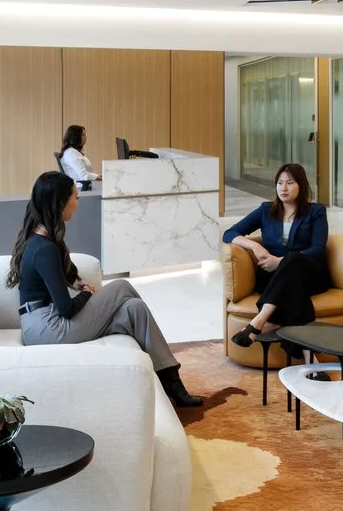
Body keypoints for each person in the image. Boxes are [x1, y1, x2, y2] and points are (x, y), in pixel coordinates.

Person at [11, 171, 201, 408]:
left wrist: (76, 282)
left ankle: (172, 383)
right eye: (75, 197)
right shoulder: (44, 248)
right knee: (122, 286)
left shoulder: (42, 240)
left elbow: (56, 278)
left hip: (42, 324)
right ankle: (165, 380)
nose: (78, 202)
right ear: (60, 203)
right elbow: (66, 309)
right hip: (46, 329)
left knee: (135, 308)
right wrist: (87, 293)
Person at [224, 162, 332, 344]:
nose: (283, 188)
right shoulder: (266, 210)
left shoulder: (316, 212)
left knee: (294, 258)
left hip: (310, 274)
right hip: (274, 277)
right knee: (294, 290)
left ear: (301, 185)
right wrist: (255, 246)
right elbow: (229, 233)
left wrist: (280, 261)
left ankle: (259, 321)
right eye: (280, 183)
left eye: (289, 183)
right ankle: (308, 356)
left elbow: (318, 249)